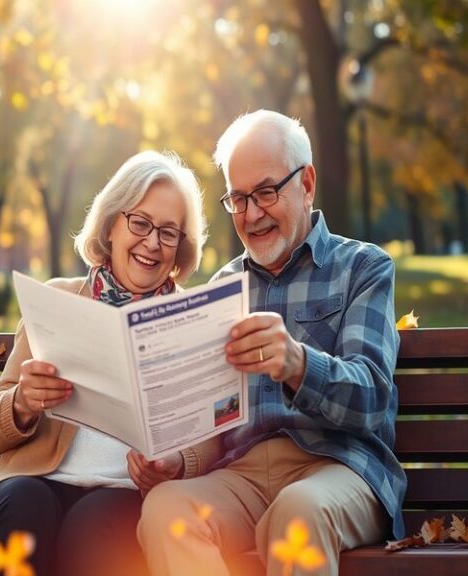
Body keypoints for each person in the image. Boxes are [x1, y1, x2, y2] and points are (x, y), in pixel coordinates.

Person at [129, 110, 406, 576]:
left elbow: (373, 398)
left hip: (338, 467)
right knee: (165, 511)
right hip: (241, 477)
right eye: (238, 199)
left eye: (265, 192)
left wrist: (298, 364)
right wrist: (175, 461)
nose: (252, 214)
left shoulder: (362, 268)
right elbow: (208, 423)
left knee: (297, 512)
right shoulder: (222, 287)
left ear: (308, 183)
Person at [0, 150, 207, 576]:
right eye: (140, 223)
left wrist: (179, 462)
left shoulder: (192, 320)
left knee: (94, 529)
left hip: (126, 492)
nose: (151, 243)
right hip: (33, 481)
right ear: (112, 224)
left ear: (181, 246)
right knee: (23, 510)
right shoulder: (59, 299)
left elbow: (211, 432)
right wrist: (22, 402)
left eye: (168, 232)